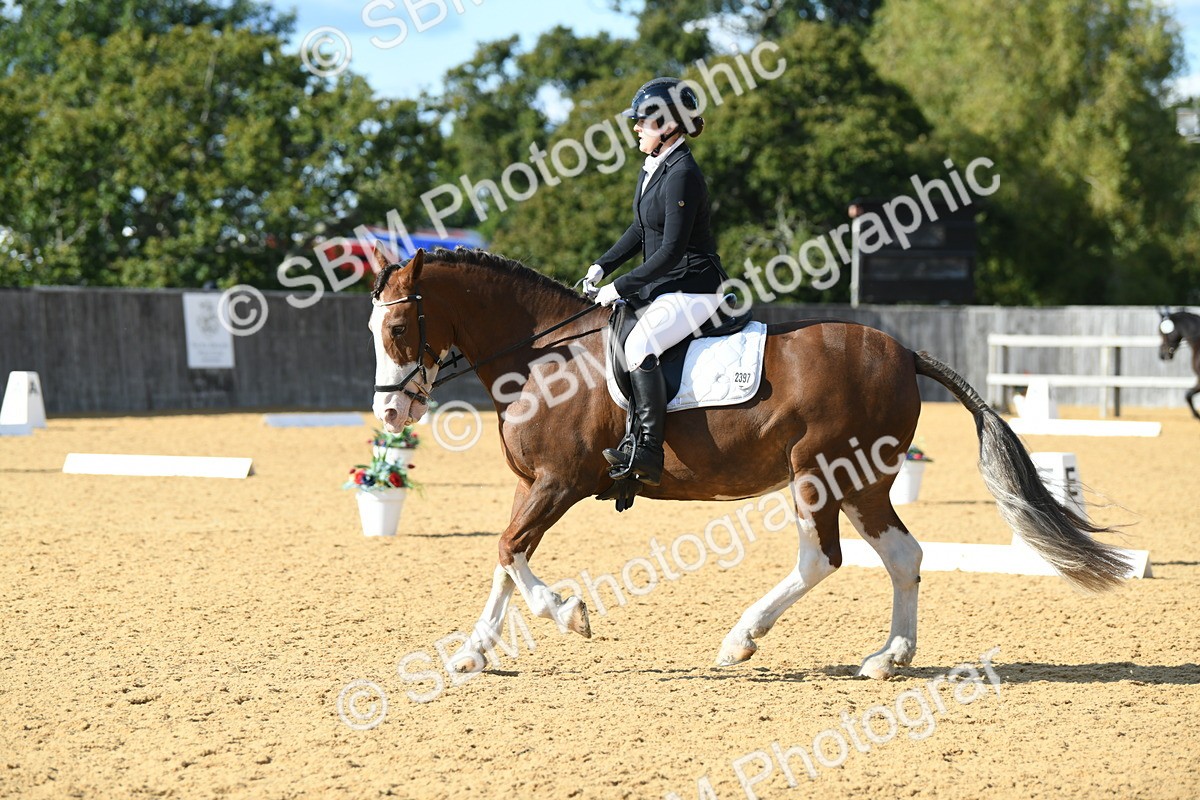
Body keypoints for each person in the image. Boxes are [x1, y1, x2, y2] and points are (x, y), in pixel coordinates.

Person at [584, 76, 730, 487]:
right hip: (667, 284)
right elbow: (640, 229)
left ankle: (648, 450)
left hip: (695, 285)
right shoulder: (656, 166)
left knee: (639, 346)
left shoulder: (682, 173)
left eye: (643, 121)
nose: (636, 127)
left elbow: (669, 251)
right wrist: (602, 266)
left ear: (668, 125)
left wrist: (620, 287)